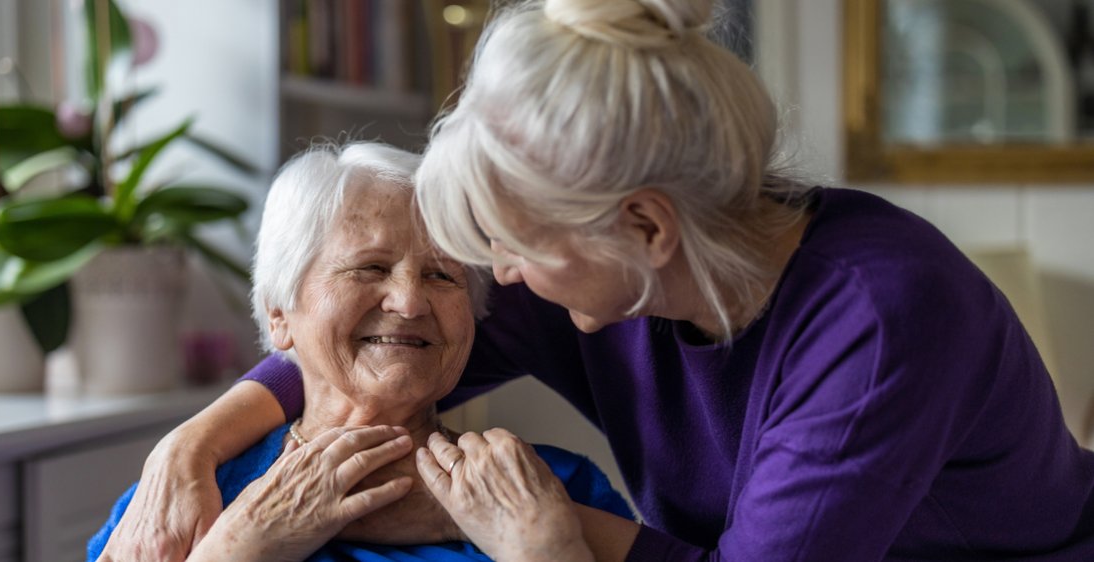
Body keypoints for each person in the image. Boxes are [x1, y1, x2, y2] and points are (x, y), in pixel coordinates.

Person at [104, 1, 1094, 560]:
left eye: (510, 246)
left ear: (645, 225)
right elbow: (387, 343)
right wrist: (192, 446)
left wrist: (534, 530)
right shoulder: (594, 276)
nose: (497, 278)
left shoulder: (880, 322)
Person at [89, 142, 632, 562]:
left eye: (443, 276)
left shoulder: (551, 490)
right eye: (369, 267)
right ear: (279, 314)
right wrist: (238, 547)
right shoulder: (185, 499)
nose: (410, 301)